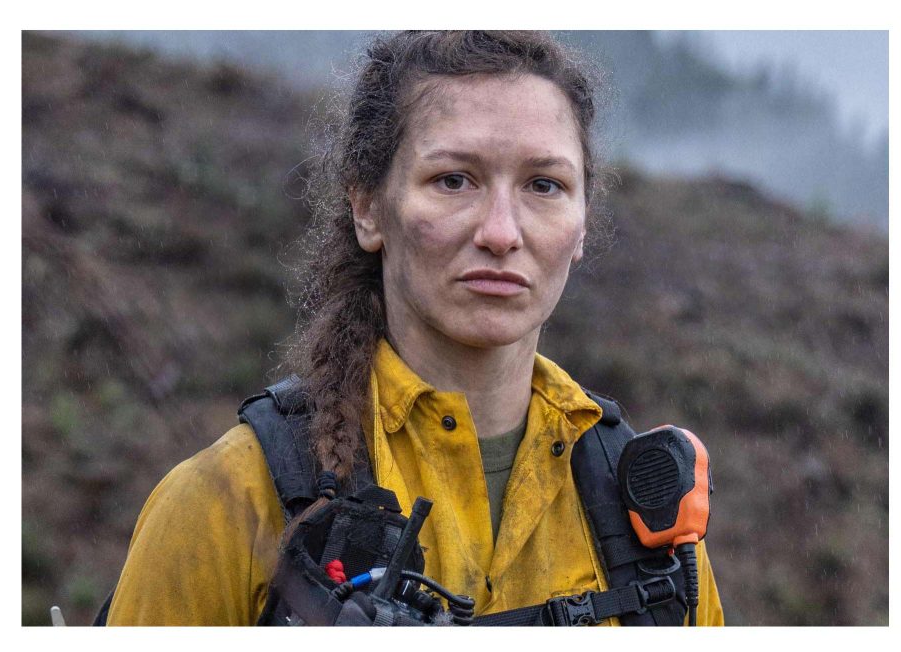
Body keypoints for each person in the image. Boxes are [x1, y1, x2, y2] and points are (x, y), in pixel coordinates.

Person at [105, 30, 724, 626]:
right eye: (453, 180)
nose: (502, 233)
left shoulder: (650, 517)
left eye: (545, 185)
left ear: (583, 222)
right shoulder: (226, 502)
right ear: (368, 208)